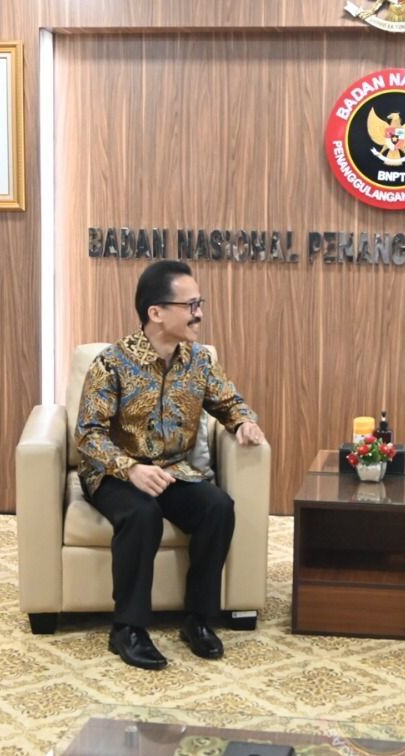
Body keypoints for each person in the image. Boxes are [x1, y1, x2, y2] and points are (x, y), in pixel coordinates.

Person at [75, 259, 267, 670]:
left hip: (172, 470)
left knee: (218, 507)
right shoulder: (112, 363)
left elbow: (228, 401)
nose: (199, 314)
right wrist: (130, 469)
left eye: (200, 303)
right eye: (190, 305)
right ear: (156, 312)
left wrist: (243, 422)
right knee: (141, 514)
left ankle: (198, 619)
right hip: (114, 473)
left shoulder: (199, 361)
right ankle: (127, 629)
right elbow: (88, 435)